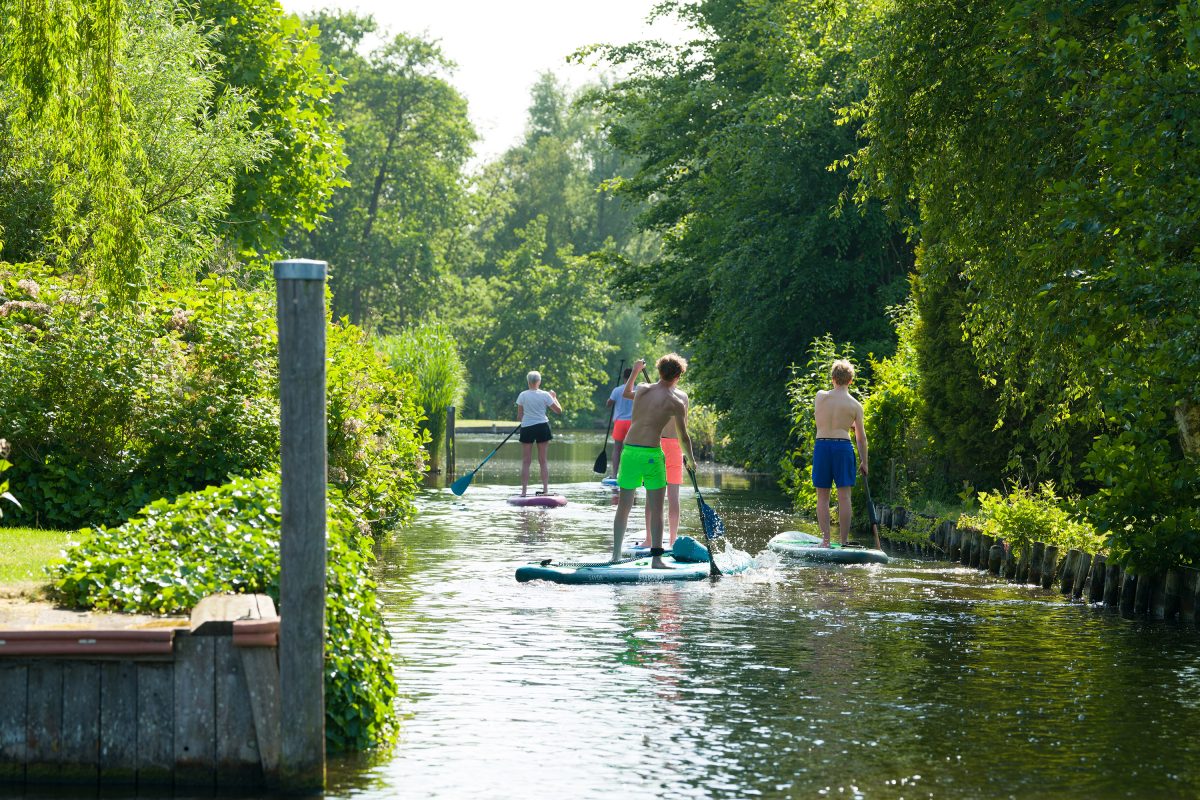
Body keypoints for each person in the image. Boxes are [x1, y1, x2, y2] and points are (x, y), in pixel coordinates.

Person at [612, 354, 694, 568]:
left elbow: (627, 392)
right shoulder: (676, 402)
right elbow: (683, 437)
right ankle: (657, 559)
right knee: (657, 508)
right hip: (651, 454)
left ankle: (615, 555)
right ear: (678, 376)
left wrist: (636, 369)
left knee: (624, 506)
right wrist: (692, 460)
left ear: (659, 371)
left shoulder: (642, 389)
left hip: (629, 452)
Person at [812, 359, 868, 548]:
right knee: (844, 497)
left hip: (822, 446)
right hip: (843, 446)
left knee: (822, 497)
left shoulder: (820, 396)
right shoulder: (855, 406)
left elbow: (821, 416)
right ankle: (843, 541)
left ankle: (826, 541)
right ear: (851, 381)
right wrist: (864, 462)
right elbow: (861, 438)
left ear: (833, 378)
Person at [516, 371, 562, 497]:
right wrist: (554, 398)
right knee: (543, 460)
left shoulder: (522, 395)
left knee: (526, 461)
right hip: (542, 427)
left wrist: (526, 418)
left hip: (527, 428)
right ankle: (545, 490)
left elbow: (519, 417)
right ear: (539, 382)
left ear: (528, 382)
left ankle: (524, 492)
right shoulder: (546, 395)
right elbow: (559, 410)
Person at [605, 367, 635, 477]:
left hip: (620, 423)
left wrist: (610, 401)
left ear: (623, 377)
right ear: (633, 377)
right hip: (633, 423)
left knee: (617, 449)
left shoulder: (617, 390)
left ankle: (614, 474)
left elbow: (608, 404)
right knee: (631, 449)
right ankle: (630, 474)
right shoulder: (636, 390)